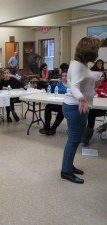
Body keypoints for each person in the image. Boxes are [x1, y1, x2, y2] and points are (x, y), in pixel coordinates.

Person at [61, 37, 103, 184]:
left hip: (75, 106)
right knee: (74, 140)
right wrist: (81, 98)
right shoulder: (79, 66)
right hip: (76, 107)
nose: (97, 53)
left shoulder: (78, 64)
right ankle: (66, 171)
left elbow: (78, 82)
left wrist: (96, 81)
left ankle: (68, 166)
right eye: (96, 50)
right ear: (89, 52)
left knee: (73, 140)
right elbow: (74, 87)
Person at [81, 71, 107, 146]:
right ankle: (86, 137)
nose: (100, 77)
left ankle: (103, 127)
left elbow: (105, 94)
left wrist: (97, 91)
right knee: (90, 114)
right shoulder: (94, 84)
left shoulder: (106, 84)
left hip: (103, 108)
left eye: (102, 76)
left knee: (90, 114)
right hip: (95, 106)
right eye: (99, 76)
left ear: (105, 77)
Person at [39, 71, 68, 135]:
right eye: (63, 76)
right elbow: (53, 92)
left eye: (66, 76)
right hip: (57, 102)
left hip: (65, 105)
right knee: (47, 107)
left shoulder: (71, 85)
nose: (64, 77)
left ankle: (53, 128)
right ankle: (46, 126)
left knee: (62, 111)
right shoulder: (59, 84)